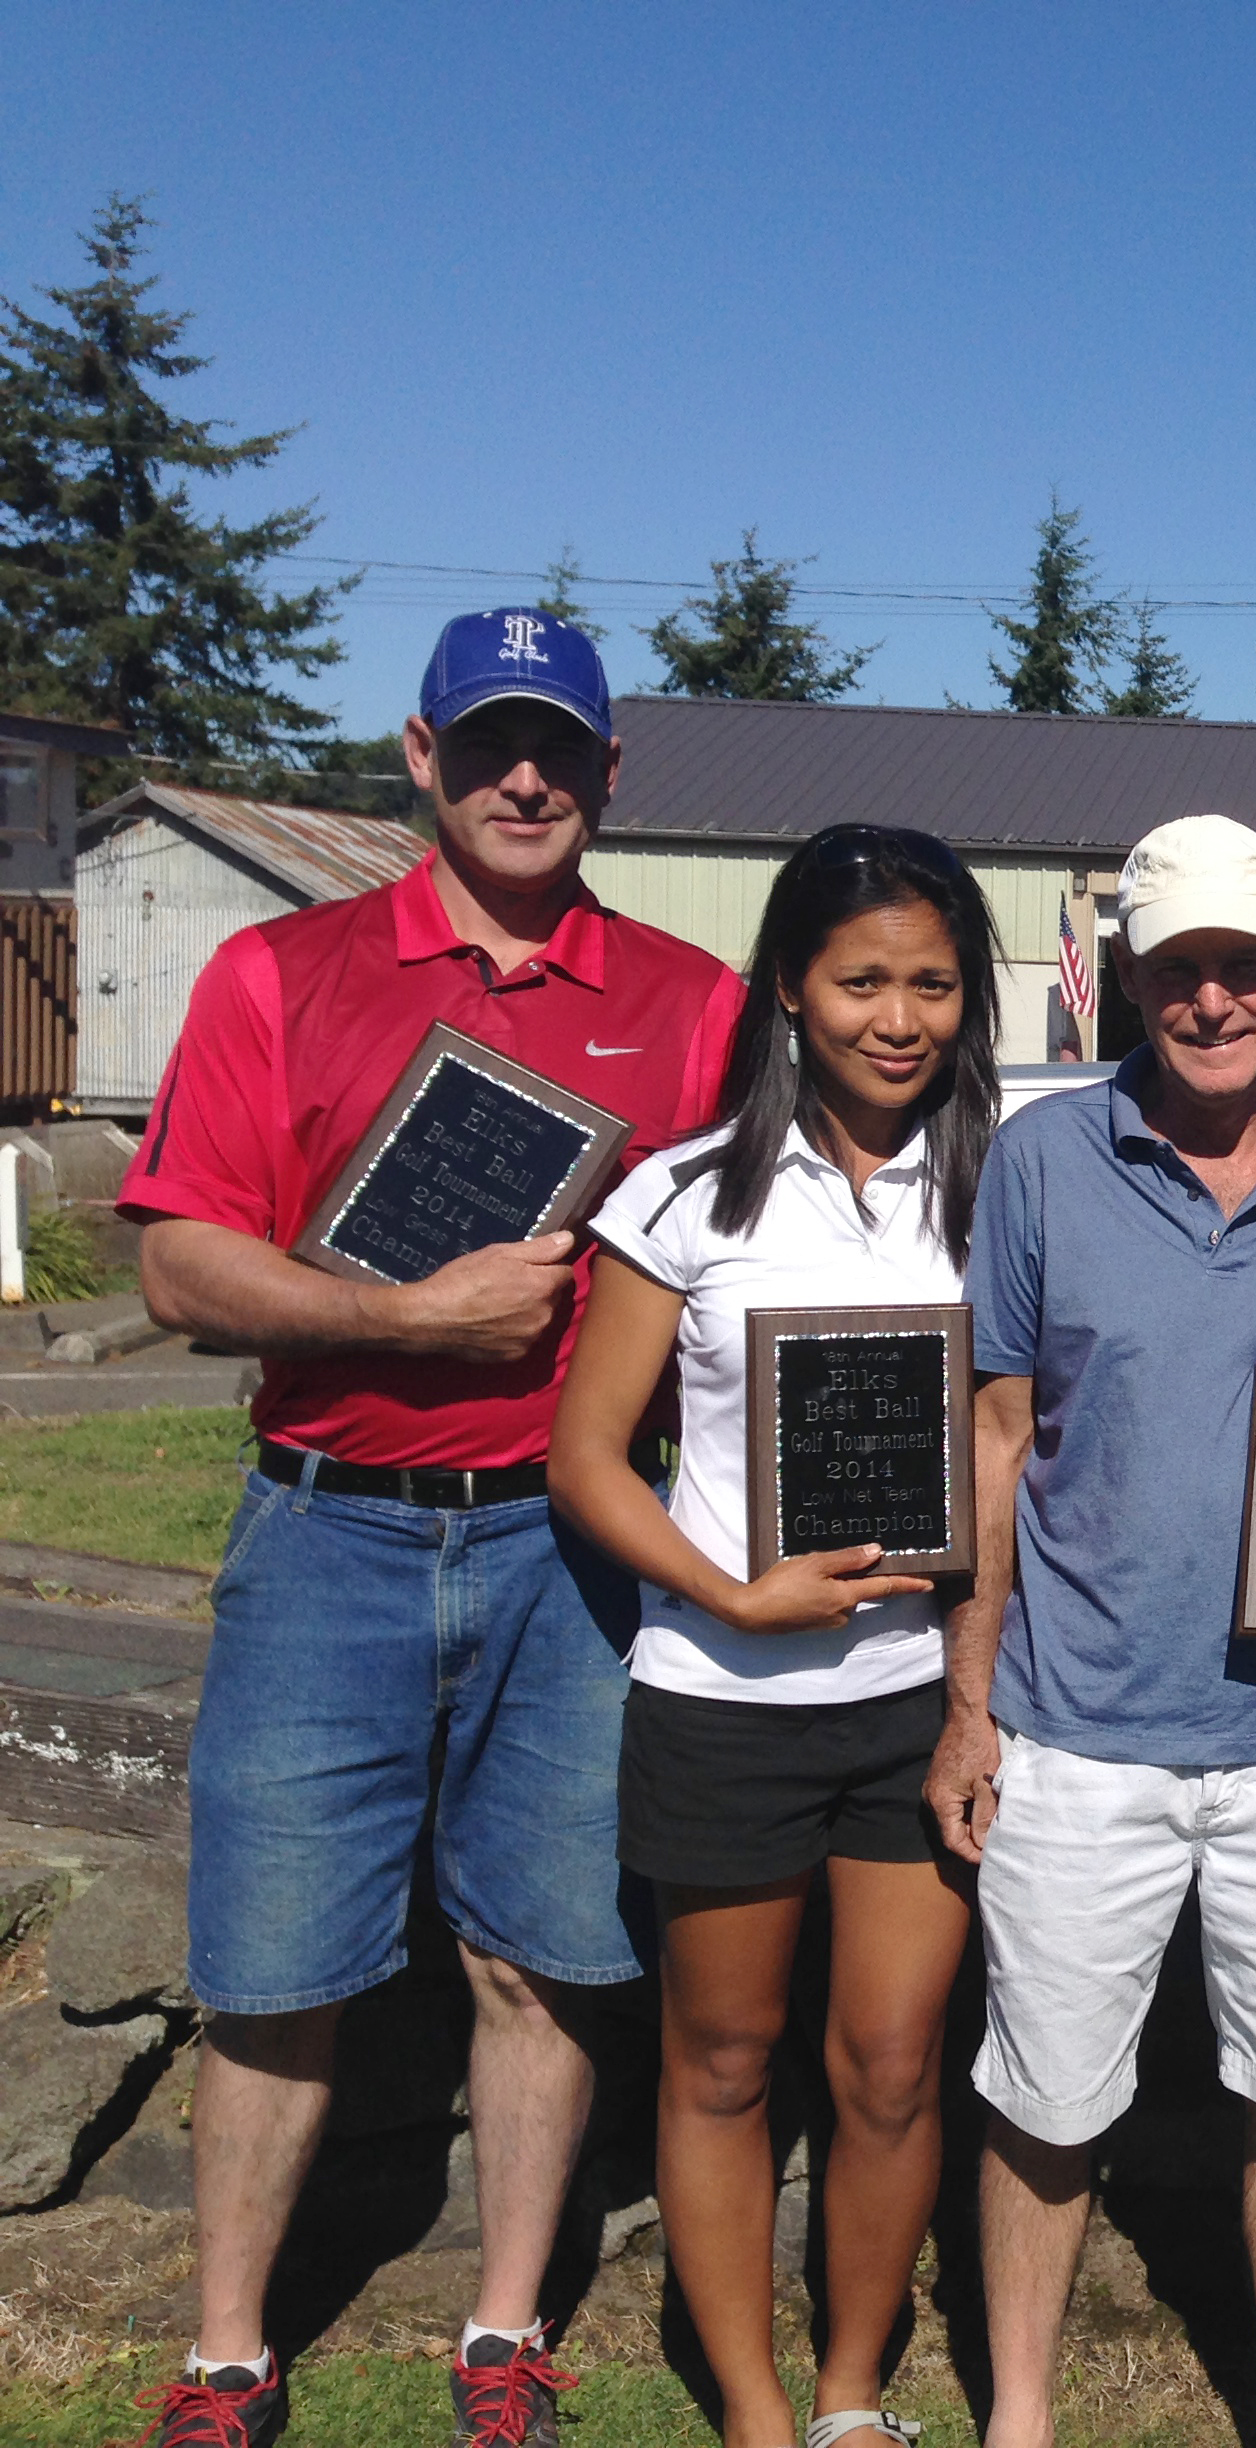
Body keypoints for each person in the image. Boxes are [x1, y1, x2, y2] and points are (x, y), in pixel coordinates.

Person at [117, 610, 746, 2448]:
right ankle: (227, 2350)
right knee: (274, 1964)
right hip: (331, 1531)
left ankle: (501, 2329)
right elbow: (173, 1260)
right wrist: (407, 1318)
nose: (525, 778)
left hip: (570, 1553)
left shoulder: (693, 999)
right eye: (488, 745)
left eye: (558, 747)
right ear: (419, 755)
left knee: (536, 1948)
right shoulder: (277, 970)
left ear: (612, 772)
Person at [922, 813, 1256, 2448]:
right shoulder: (1041, 1158)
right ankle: (1020, 2408)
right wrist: (966, 1697)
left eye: (1242, 963)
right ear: (1126, 979)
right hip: (1075, 1721)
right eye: (1176, 969)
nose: (1211, 999)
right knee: (1044, 2099)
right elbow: (998, 1431)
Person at [549, 826, 1000, 2448]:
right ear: (791, 991)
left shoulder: (996, 1190)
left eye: (932, 981)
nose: (900, 1015)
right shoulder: (678, 1195)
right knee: (724, 2060)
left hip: (914, 1709)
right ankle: (748, 2400)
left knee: (887, 2063)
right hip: (721, 1700)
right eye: (862, 978)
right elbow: (587, 1456)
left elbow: (1020, 1441)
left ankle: (851, 2392)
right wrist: (734, 1592)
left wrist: (975, 1685)